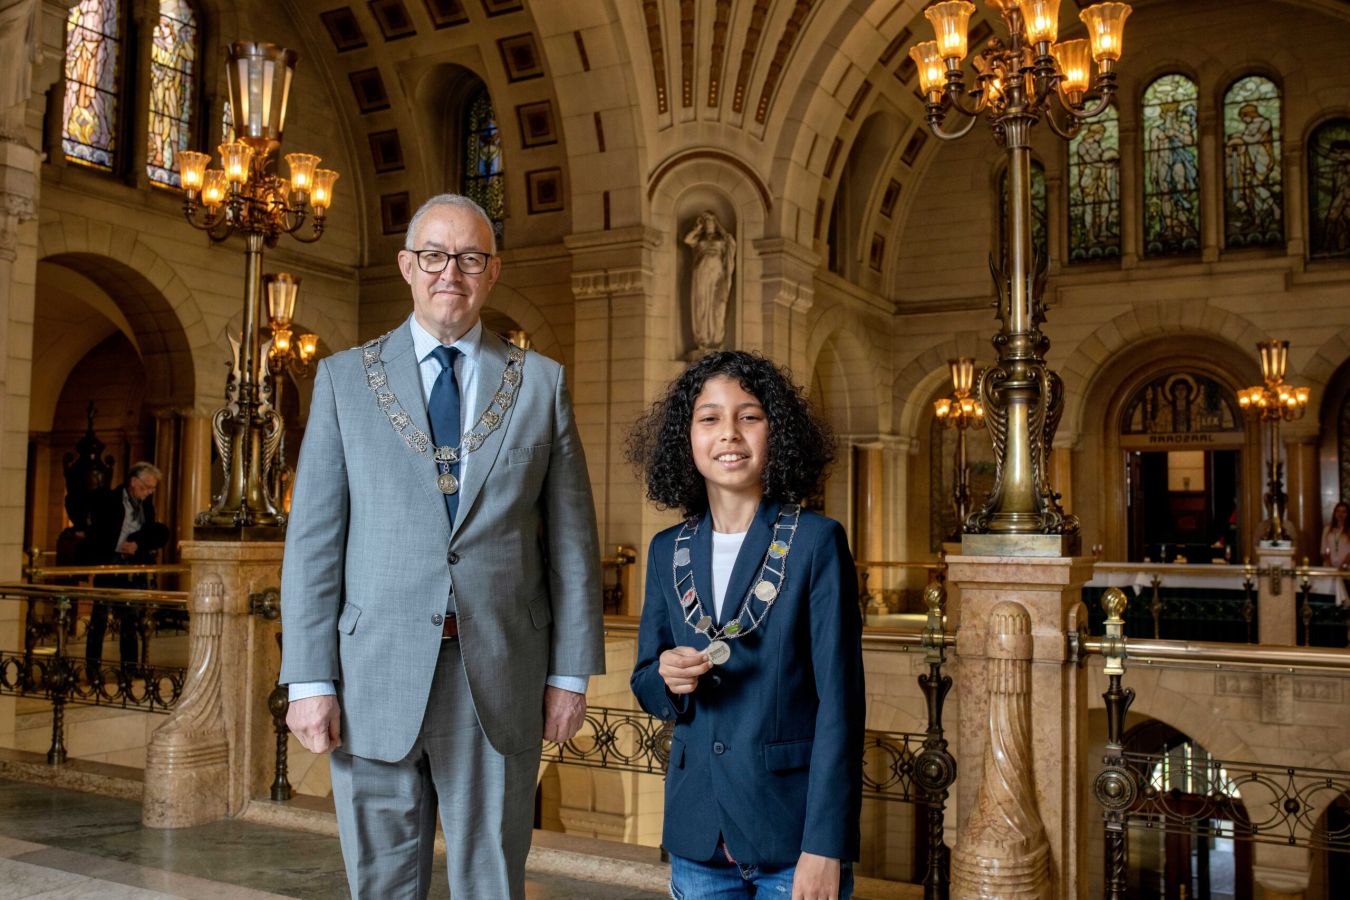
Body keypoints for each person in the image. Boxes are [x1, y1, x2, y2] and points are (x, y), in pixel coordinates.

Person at [279, 193, 604, 900]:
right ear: (407, 266)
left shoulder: (540, 383)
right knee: (382, 884)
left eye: (469, 258)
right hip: (372, 674)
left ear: (492, 271)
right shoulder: (344, 379)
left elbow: (573, 543)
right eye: (433, 256)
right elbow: (312, 544)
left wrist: (571, 673)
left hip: (501, 671)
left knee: (491, 881)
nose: (449, 272)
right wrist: (308, 680)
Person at [628, 351, 865, 900]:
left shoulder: (816, 542)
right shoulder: (667, 549)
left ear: (776, 433)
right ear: (687, 439)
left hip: (792, 837)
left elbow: (841, 706)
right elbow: (645, 680)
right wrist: (665, 677)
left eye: (749, 416)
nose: (729, 434)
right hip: (698, 834)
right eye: (709, 418)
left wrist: (825, 847)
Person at [77, 462, 167, 678]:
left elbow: (147, 533)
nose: (149, 492)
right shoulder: (109, 500)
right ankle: (93, 669)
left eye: (152, 489)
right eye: (147, 487)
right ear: (134, 482)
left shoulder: (146, 506)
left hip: (132, 568)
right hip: (109, 565)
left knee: (131, 620)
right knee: (99, 620)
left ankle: (130, 669)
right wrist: (117, 546)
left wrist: (137, 545)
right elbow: (97, 532)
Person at [683, 211, 737, 350]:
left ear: (715, 223)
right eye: (706, 222)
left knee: (718, 305)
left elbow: (731, 243)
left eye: (711, 222)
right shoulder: (699, 239)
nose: (709, 225)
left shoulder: (722, 239)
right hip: (702, 273)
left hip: (717, 275)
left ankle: (716, 338)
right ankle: (703, 338)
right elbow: (687, 240)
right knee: (702, 304)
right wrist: (697, 229)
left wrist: (722, 230)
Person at [1322, 501, 1350, 570]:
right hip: (1330, 567)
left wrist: (1343, 566)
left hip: (1347, 567)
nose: (1340, 514)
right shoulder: (1327, 529)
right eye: (1338, 511)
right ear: (1334, 513)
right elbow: (1324, 550)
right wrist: (1330, 565)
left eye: (1343, 512)